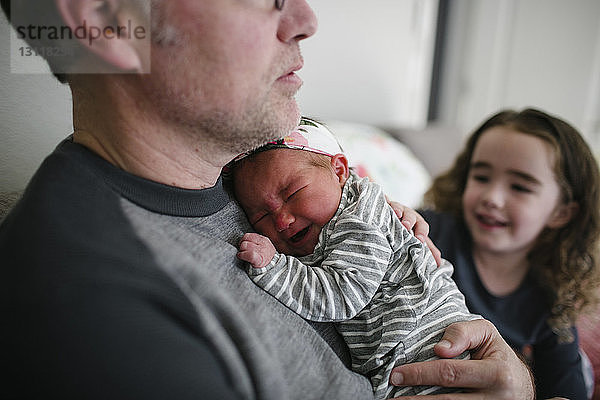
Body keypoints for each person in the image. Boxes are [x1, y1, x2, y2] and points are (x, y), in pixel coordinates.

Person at [0, 1, 535, 399]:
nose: (306, 17)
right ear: (104, 19)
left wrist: (513, 381)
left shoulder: (243, 177)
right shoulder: (95, 307)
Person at [229, 118, 480, 398]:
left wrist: (274, 267)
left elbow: (341, 295)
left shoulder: (357, 221)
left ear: (339, 172)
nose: (282, 220)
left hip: (431, 350)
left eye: (293, 193)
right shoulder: (333, 211)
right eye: (261, 216)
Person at [420, 108, 600, 399]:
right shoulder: (430, 232)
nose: (492, 197)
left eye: (519, 187)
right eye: (481, 177)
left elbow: (566, 391)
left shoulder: (552, 296)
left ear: (561, 212)